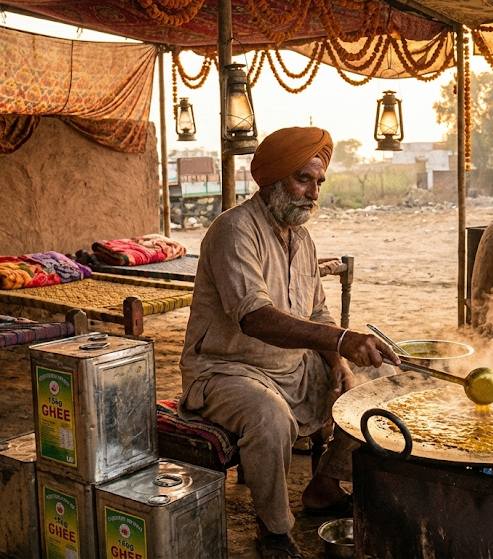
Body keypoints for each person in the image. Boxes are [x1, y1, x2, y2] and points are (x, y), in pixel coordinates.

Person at [178, 127, 401, 559]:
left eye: (318, 183)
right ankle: (273, 532)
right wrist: (341, 339)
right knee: (269, 416)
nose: (312, 193)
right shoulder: (233, 230)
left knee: (382, 380)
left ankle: (324, 484)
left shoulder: (301, 237)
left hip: (292, 368)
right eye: (303, 179)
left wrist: (338, 360)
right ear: (273, 179)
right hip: (226, 371)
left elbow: (316, 313)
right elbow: (256, 318)